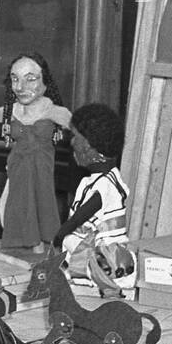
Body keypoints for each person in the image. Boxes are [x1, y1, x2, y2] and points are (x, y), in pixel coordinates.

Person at [0, 53, 72, 250]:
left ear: (45, 81)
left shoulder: (55, 112)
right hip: (18, 171)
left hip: (42, 173)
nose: (21, 87)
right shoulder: (11, 111)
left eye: (30, 79)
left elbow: (80, 127)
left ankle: (44, 247)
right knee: (16, 208)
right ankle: (21, 248)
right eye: (15, 79)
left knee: (43, 208)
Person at [54, 103, 134, 290]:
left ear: (90, 144)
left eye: (75, 137)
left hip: (107, 253)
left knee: (68, 241)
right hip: (94, 245)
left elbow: (83, 213)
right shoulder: (97, 179)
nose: (72, 142)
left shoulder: (105, 184)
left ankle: (90, 275)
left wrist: (60, 234)